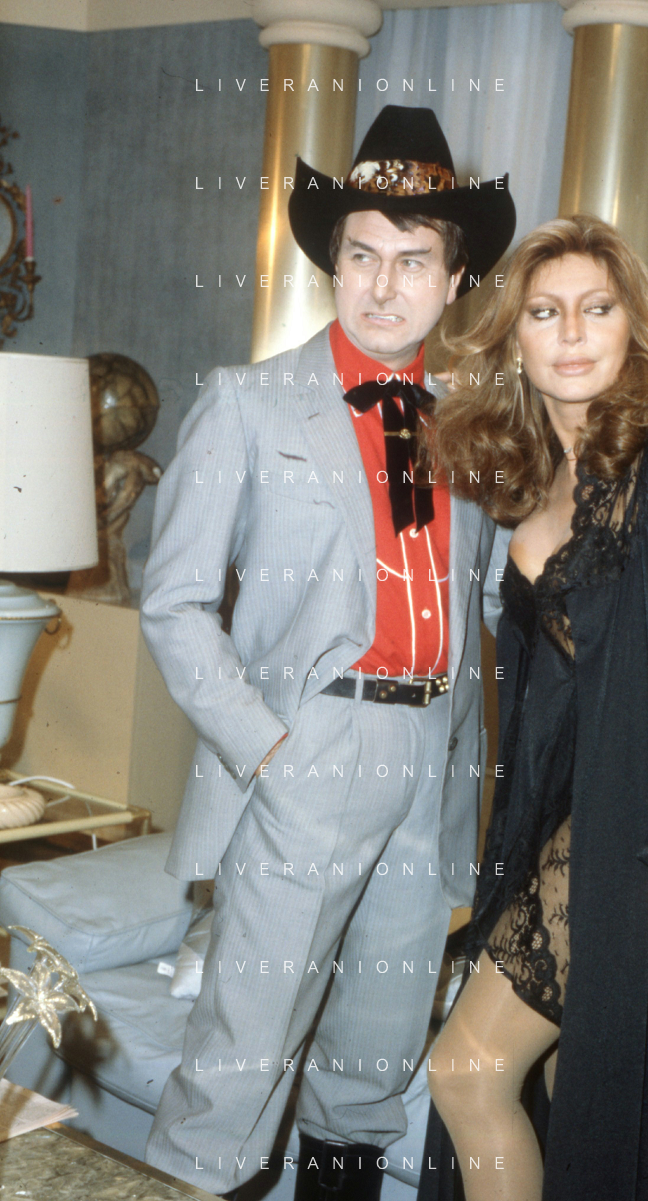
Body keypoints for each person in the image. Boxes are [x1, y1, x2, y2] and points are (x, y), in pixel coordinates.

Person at [139, 105, 515, 1200]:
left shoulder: (475, 423)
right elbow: (172, 603)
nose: (383, 285)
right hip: (306, 749)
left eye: (413, 260)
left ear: (454, 280)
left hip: (428, 763)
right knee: (239, 1067)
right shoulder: (247, 404)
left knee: (370, 1066)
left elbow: (491, 596)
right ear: (332, 264)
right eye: (362, 255)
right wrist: (268, 748)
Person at [419, 215, 648, 1201]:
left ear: (634, 324)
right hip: (556, 819)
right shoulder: (532, 474)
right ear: (513, 336)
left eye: (597, 308)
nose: (573, 333)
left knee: (466, 1071)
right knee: (568, 1094)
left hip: (647, 833)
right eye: (545, 313)